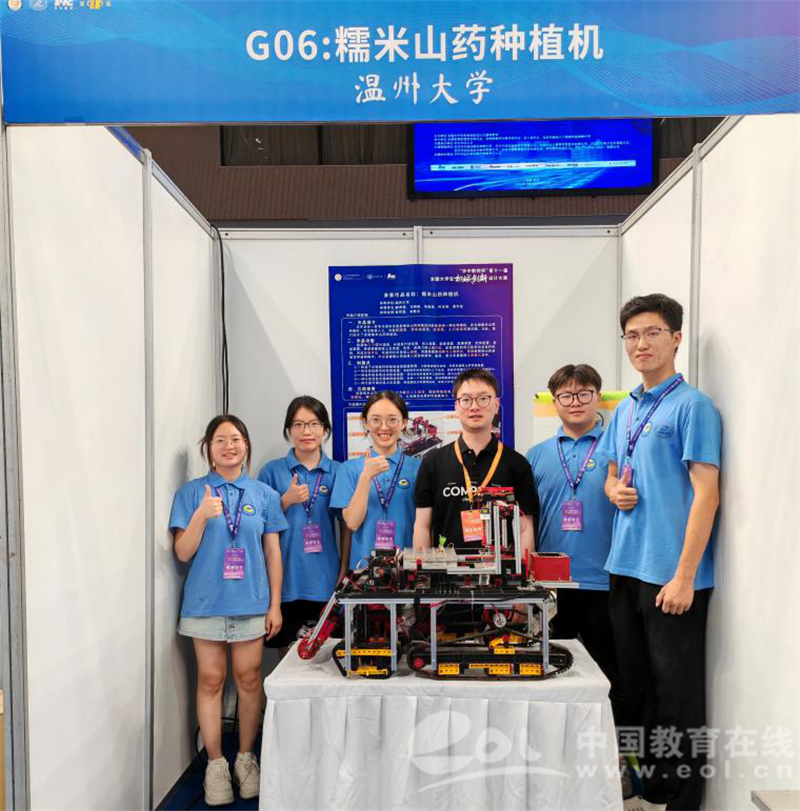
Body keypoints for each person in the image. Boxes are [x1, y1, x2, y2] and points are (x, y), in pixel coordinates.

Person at [599, 294, 721, 811]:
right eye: (632, 335)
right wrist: (615, 492)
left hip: (671, 575)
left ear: (676, 338)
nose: (641, 344)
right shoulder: (625, 408)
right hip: (624, 567)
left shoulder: (693, 406)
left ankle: (683, 800)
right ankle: (650, 788)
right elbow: (610, 475)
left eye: (652, 333)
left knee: (678, 695)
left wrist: (685, 576)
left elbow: (707, 494)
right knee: (635, 687)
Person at [169, 415, 287, 806]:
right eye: (220, 440)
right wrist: (201, 515)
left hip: (251, 602)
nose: (229, 446)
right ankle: (216, 765)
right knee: (210, 679)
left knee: (250, 680)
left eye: (235, 439)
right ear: (209, 448)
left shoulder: (264, 495)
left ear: (246, 445)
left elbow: (273, 552)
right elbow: (183, 551)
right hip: (205, 603)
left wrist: (275, 604)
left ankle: (246, 759)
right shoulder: (191, 494)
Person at [525, 363, 623, 721]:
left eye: (584, 393)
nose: (575, 402)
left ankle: (613, 744)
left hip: (606, 579)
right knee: (553, 674)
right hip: (552, 585)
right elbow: (527, 522)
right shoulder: (536, 456)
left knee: (612, 673)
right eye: (566, 396)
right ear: (554, 402)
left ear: (598, 397)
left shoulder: (618, 449)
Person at [258, 396, 349, 658]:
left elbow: (347, 526)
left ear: (325, 429)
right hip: (284, 582)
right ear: (288, 430)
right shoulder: (271, 471)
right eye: (298, 424)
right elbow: (255, 526)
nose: (306, 431)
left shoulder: (338, 471)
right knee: (287, 661)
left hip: (326, 581)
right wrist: (285, 501)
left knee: (325, 659)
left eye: (314, 424)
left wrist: (343, 571)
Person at [413, 367, 538, 557]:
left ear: (495, 405)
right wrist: (424, 570)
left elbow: (525, 529)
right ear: (456, 406)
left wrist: (522, 571)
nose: (474, 407)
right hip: (446, 570)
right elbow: (422, 526)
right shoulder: (433, 462)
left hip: (501, 571)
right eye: (466, 400)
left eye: (483, 398)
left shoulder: (517, 464)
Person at [331, 391, 421, 567]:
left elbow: (427, 524)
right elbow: (352, 523)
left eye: (392, 419)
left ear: (404, 422)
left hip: (408, 568)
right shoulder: (348, 469)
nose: (384, 427)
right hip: (362, 569)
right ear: (366, 423)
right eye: (376, 420)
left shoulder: (418, 468)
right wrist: (365, 477)